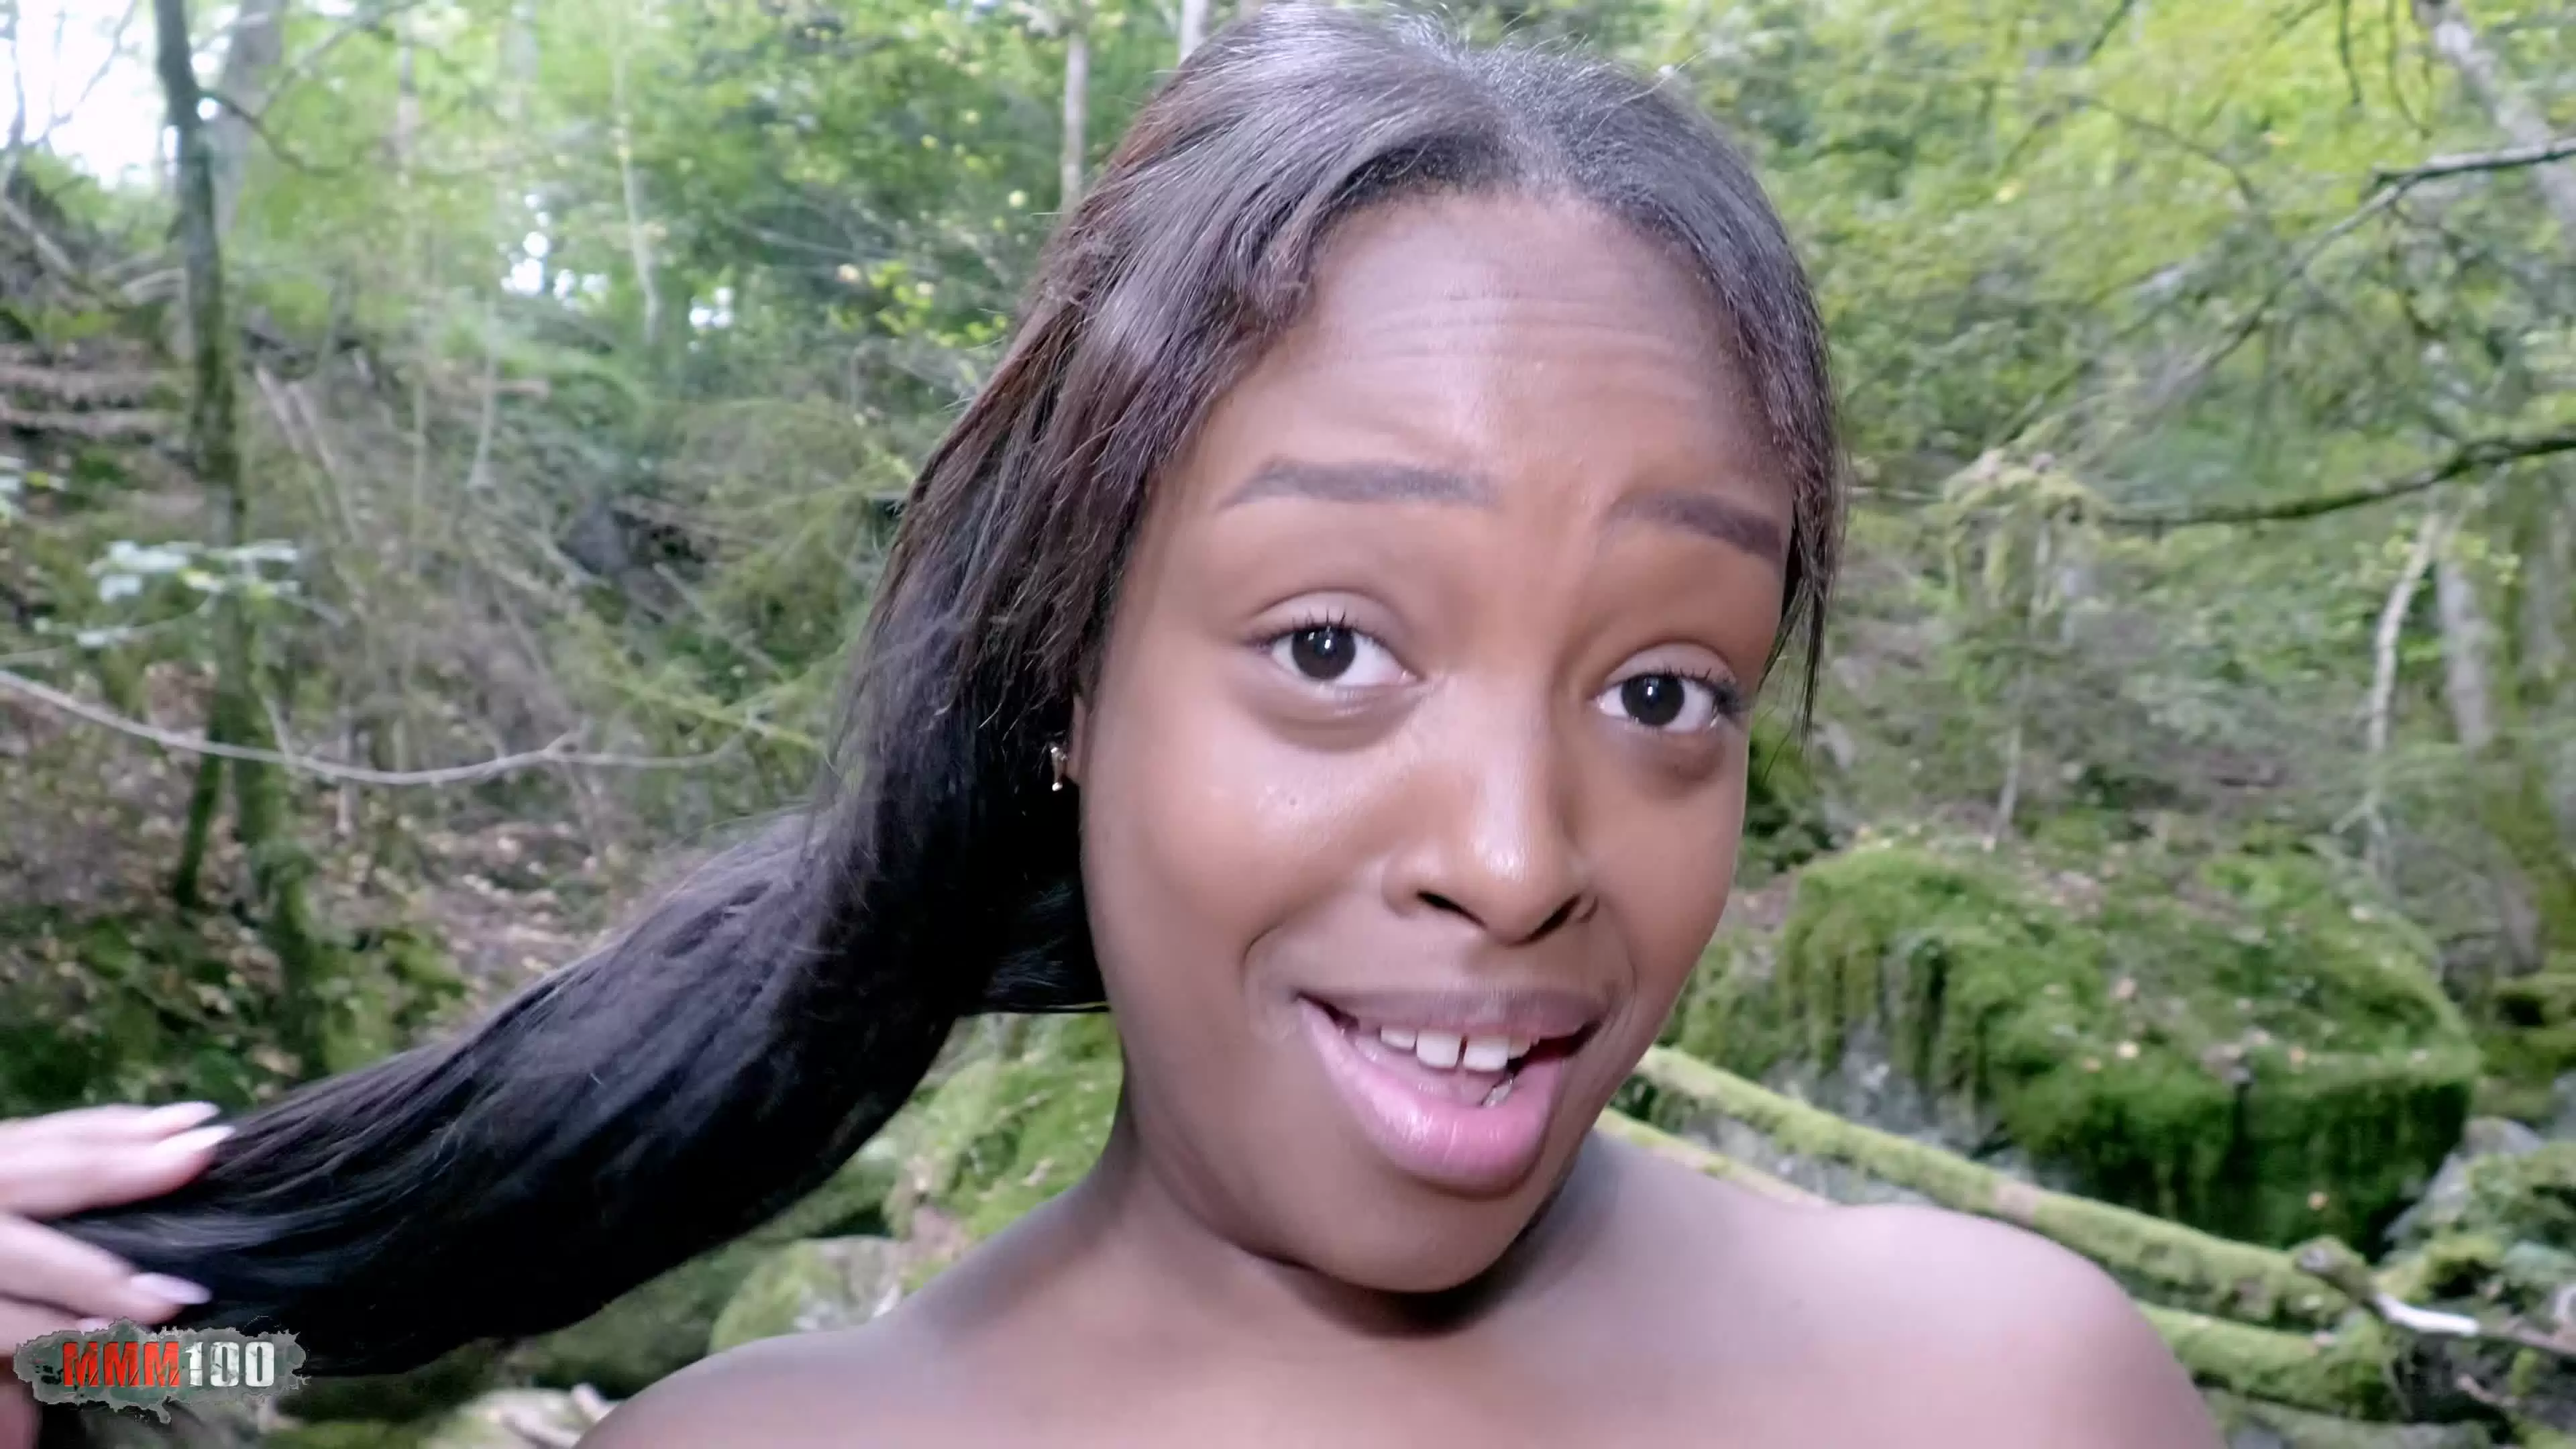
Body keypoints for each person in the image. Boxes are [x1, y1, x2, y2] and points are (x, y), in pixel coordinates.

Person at [3, 9, 2219, 1444]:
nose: (1519, 855)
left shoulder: (2010, 1390)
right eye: (1333, 650)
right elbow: (194, 1357)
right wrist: (63, 1354)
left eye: (1662, 692)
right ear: (1072, 677)